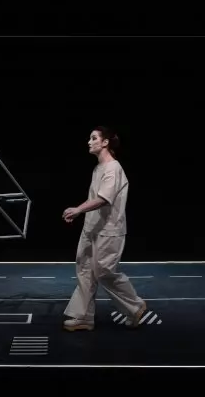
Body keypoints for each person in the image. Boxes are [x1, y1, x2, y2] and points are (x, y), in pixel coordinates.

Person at [62, 126, 146, 330]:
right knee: (84, 270)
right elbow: (95, 198)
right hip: (91, 227)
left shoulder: (113, 168)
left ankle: (135, 306)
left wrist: (78, 209)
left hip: (109, 230)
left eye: (93, 138)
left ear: (105, 142)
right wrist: (79, 211)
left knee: (104, 272)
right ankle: (83, 317)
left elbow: (103, 199)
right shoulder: (98, 168)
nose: (89, 142)